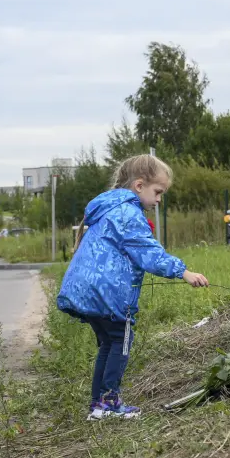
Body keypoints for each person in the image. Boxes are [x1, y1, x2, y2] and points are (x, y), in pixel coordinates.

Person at [56, 155, 209, 420]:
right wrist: (184, 272)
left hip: (87, 290)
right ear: (139, 186)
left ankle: (99, 405)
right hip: (108, 294)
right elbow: (150, 253)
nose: (159, 199)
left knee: (108, 343)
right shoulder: (129, 214)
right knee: (121, 340)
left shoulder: (109, 208)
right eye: (158, 192)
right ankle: (110, 403)